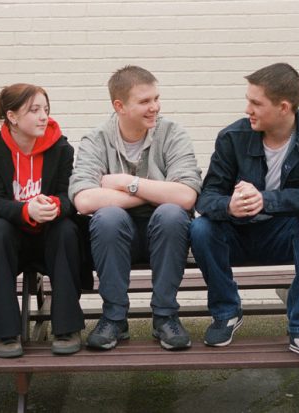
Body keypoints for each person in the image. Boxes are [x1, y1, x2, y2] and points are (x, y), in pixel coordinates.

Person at [189, 63, 299, 366]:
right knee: (201, 229)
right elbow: (207, 198)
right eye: (248, 101)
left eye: (256, 103)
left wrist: (267, 200)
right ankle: (226, 312)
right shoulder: (232, 137)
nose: (248, 109)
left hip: (283, 235)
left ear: (284, 107)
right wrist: (229, 206)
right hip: (239, 234)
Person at [69, 65, 202, 351]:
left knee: (171, 214)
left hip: (166, 235)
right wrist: (157, 190)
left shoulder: (172, 134)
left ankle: (166, 317)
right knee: (107, 218)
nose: (154, 107)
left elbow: (187, 196)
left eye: (156, 98)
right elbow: (84, 200)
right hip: (115, 239)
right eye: (144, 101)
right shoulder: (97, 139)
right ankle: (114, 318)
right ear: (120, 106)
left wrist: (126, 183)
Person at [0, 83, 85, 358]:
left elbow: (70, 195)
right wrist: (26, 210)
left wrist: (54, 205)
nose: (43, 116)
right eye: (34, 110)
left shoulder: (61, 148)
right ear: (12, 117)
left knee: (66, 229)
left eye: (46, 109)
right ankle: (4, 332)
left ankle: (67, 327)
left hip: (49, 235)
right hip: (12, 236)